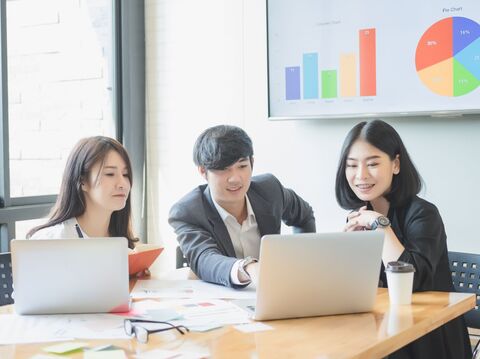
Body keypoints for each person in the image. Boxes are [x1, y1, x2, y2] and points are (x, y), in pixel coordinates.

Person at [335, 120, 470, 359]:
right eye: (352, 165)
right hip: (384, 328)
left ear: (395, 164)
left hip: (428, 335)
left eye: (373, 164)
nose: (360, 175)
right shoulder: (357, 217)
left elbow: (412, 281)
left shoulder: (423, 213)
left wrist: (380, 225)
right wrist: (347, 253)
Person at [168, 125, 316, 288]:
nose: (235, 179)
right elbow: (205, 259)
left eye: (242, 166)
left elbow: (304, 216)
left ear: (252, 162)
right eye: (224, 169)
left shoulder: (270, 190)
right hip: (223, 303)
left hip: (273, 296)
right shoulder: (187, 212)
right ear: (203, 171)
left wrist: (301, 262)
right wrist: (248, 268)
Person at [28, 136, 137, 250]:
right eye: (110, 174)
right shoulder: (50, 241)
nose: (122, 184)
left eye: (125, 174)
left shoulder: (127, 247)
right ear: (82, 181)